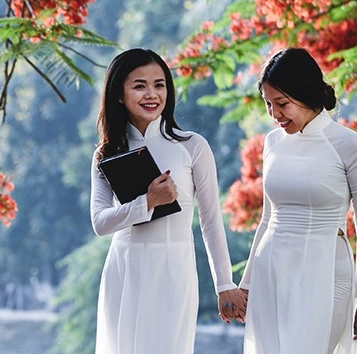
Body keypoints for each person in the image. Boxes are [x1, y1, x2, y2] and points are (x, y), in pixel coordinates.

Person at [90, 48, 247, 354]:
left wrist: (224, 284)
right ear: (119, 94)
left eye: (159, 85)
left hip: (175, 270)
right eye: (140, 86)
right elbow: (100, 223)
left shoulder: (191, 146)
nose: (152, 94)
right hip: (125, 270)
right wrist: (147, 201)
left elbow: (211, 220)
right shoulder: (106, 153)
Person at [229, 48, 357, 354]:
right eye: (268, 104)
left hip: (326, 271)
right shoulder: (272, 142)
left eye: (282, 103)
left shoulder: (349, 145)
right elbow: (267, 218)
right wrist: (246, 285)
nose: (275, 114)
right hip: (271, 271)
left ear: (306, 93)